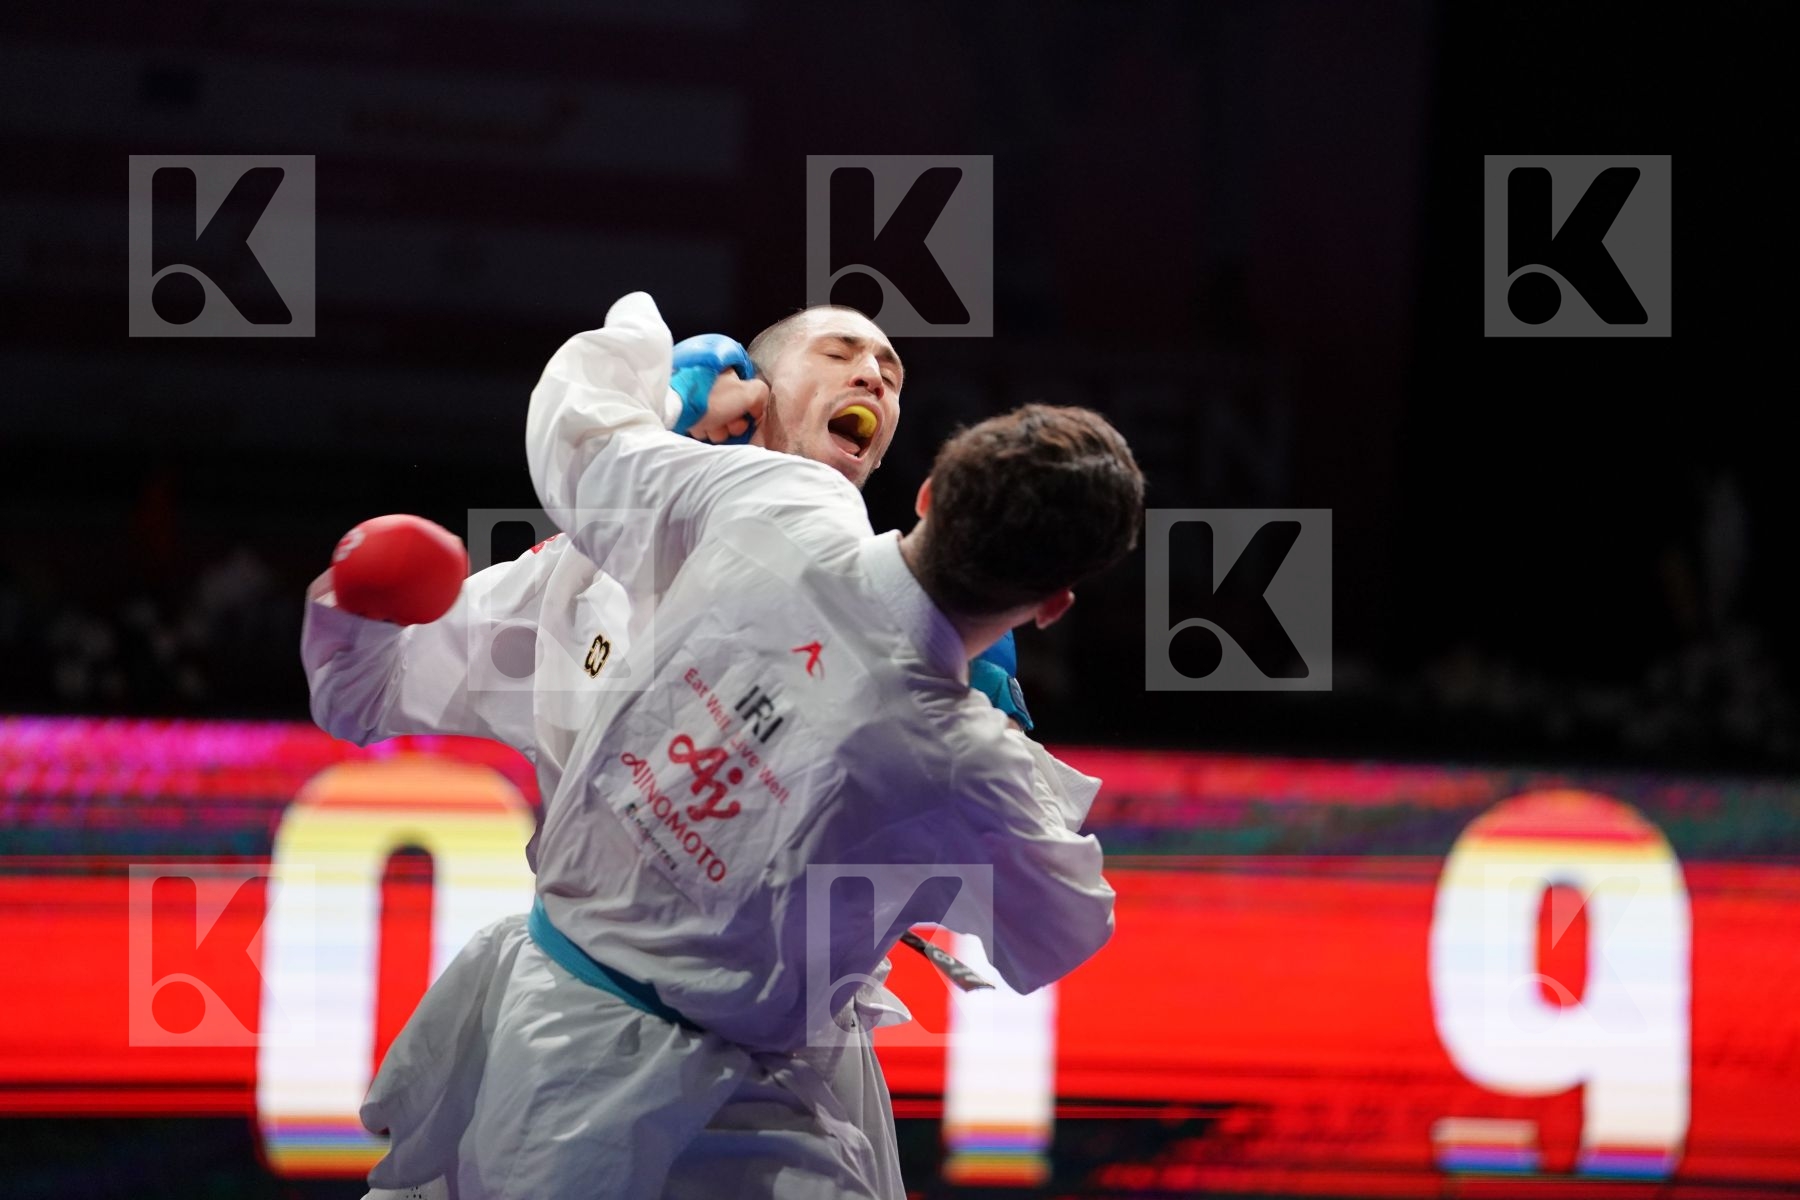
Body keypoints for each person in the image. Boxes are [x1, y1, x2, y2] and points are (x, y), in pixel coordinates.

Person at [303, 299, 1095, 1197]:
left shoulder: (931, 649)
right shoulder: (578, 579)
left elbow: (1003, 896)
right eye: (840, 352)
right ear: (751, 396)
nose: (874, 374)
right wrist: (361, 603)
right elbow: (364, 694)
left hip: (783, 1066)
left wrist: (1007, 734)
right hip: (582, 1023)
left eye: (892, 371)